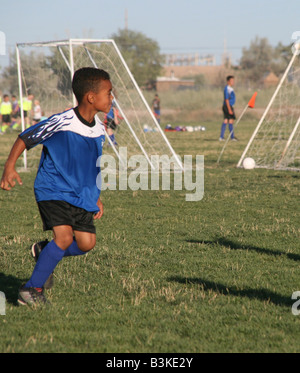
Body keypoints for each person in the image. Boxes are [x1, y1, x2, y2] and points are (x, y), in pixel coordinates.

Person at [0, 67, 112, 306]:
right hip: (53, 189)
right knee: (63, 237)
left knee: (86, 244)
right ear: (91, 97)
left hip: (81, 194)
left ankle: (44, 252)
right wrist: (9, 167)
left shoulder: (100, 129)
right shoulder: (62, 122)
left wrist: (96, 196)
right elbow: (25, 137)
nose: (112, 98)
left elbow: (93, 166)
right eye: (109, 93)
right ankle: (31, 289)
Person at [219, 75, 237, 141]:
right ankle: (232, 137)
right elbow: (226, 99)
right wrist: (229, 109)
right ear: (228, 81)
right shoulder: (227, 88)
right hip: (227, 106)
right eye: (231, 81)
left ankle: (221, 137)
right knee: (231, 120)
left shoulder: (230, 88)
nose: (233, 82)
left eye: (233, 81)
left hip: (228, 106)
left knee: (226, 120)